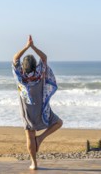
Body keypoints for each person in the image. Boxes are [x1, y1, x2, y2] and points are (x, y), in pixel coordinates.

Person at [12, 35, 63, 170]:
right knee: (59, 123)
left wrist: (26, 46)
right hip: (42, 110)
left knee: (30, 136)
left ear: (23, 66)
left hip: (26, 111)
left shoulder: (20, 76)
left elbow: (15, 58)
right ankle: (41, 138)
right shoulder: (40, 73)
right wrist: (32, 46)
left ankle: (34, 163)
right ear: (36, 65)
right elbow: (45, 58)